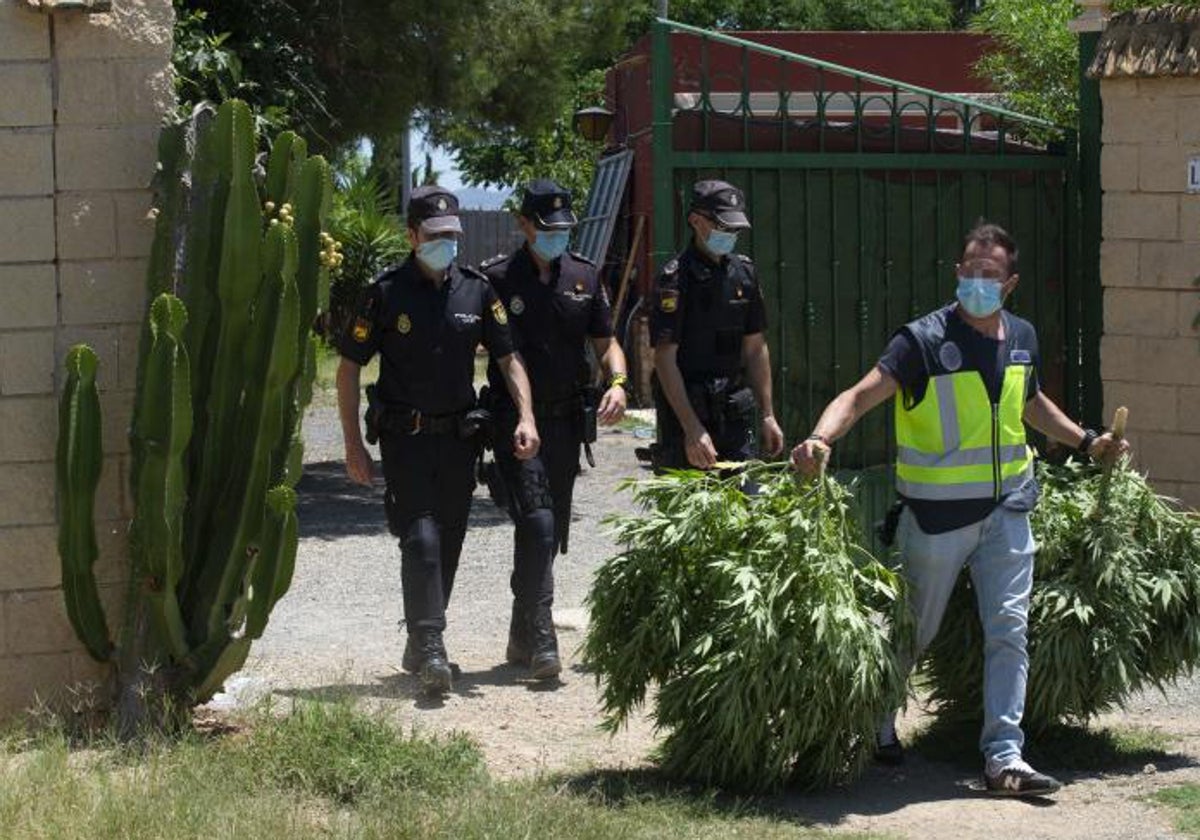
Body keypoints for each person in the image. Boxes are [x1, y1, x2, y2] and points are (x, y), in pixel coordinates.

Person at [791, 221, 1130, 796]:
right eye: (970, 271)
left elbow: (1031, 403)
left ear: (1010, 283)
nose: (978, 281)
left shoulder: (1021, 335)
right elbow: (857, 395)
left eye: (990, 274)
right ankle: (875, 725)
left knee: (1010, 631)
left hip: (1010, 508)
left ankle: (1005, 756)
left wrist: (1086, 441)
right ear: (957, 273)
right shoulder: (921, 341)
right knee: (915, 631)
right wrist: (820, 441)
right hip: (937, 517)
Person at [337, 185, 539, 695]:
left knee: (448, 540)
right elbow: (347, 369)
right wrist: (353, 446)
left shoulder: (476, 291)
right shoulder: (384, 293)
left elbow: (508, 358)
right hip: (405, 437)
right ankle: (431, 647)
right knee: (420, 538)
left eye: (452, 236)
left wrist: (526, 416)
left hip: (458, 438)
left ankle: (421, 639)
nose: (445, 245)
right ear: (411, 236)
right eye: (434, 236)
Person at [479, 179, 628, 680]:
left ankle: (522, 633)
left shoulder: (585, 275)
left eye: (564, 229)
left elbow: (607, 342)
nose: (557, 237)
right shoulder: (498, 279)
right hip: (516, 421)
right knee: (538, 522)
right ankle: (542, 636)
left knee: (548, 529)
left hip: (567, 422)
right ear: (524, 225)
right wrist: (521, 415)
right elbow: (501, 353)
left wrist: (620, 381)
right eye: (547, 229)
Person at [649, 179, 784, 471]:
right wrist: (692, 429)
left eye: (735, 229)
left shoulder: (744, 273)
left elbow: (755, 349)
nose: (730, 235)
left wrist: (768, 414)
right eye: (724, 227)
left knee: (745, 507)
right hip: (688, 416)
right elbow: (664, 359)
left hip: (734, 414)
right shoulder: (674, 280)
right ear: (696, 221)